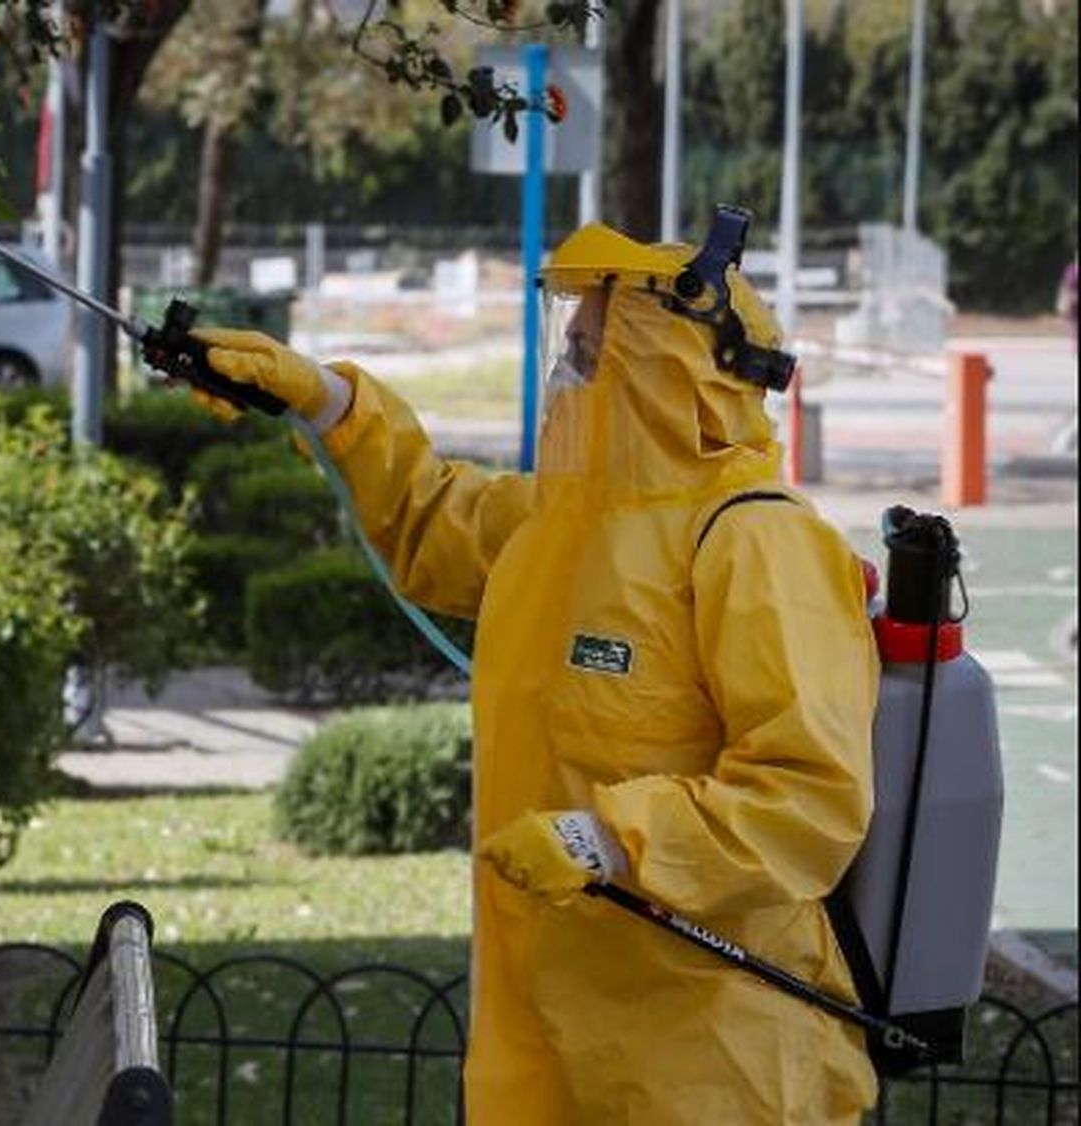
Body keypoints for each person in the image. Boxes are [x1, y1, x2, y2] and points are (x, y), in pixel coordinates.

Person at [185, 212, 879, 1124]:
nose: (572, 369)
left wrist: (612, 840)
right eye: (575, 343)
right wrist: (323, 399)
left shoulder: (757, 541)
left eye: (594, 347)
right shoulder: (562, 525)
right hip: (558, 1039)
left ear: (668, 367)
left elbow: (808, 795)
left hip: (713, 1061)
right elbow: (431, 518)